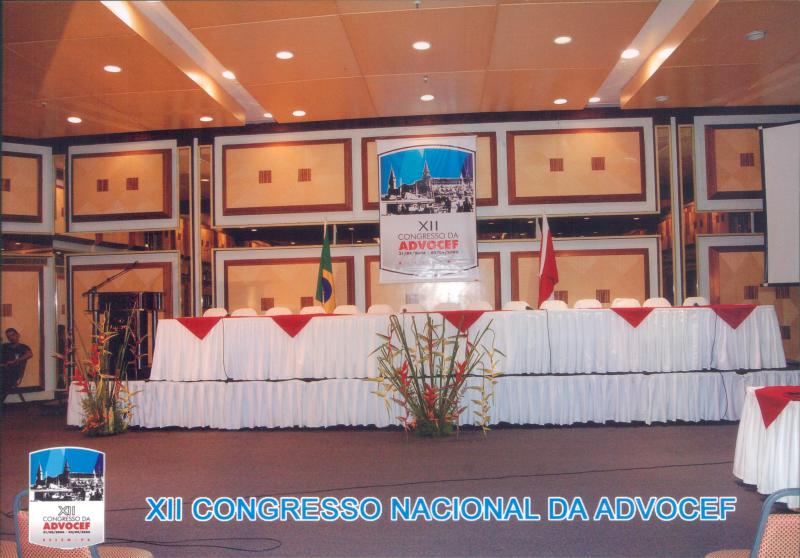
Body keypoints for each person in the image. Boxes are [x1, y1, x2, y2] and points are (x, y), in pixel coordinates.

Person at [1, 327, 33, 405]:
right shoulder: (5, 346)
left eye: (13, 335)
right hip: (3, 369)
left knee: (3, 382)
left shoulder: (22, 347)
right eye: (9, 336)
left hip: (13, 372)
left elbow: (29, 354)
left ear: (18, 335)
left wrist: (16, 361)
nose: (11, 338)